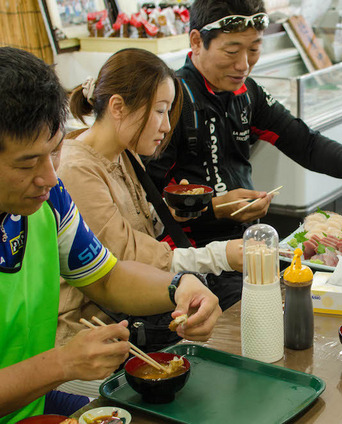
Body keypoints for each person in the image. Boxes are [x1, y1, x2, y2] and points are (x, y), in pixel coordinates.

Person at [0, 47, 220, 423]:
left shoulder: (49, 201)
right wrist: (62, 363)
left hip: (32, 405)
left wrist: (179, 287)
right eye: (27, 162)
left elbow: (106, 276)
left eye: (54, 152)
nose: (51, 177)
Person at [145, 0, 342, 248]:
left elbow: (304, 143)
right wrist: (215, 208)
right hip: (189, 257)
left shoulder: (247, 93)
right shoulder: (171, 101)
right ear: (196, 41)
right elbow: (148, 205)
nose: (244, 65)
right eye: (232, 51)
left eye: (254, 50)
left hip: (246, 246)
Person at [56, 49, 243, 348]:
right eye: (160, 110)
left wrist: (175, 211)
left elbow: (141, 228)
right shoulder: (76, 170)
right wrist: (222, 256)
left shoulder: (125, 153)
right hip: (94, 335)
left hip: (136, 319)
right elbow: (126, 258)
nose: (167, 126)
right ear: (117, 106)